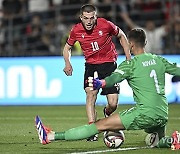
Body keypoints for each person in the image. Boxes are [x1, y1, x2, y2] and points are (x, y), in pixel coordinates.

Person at [35, 28, 180, 150]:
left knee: (99, 125)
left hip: (145, 113)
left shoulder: (131, 65)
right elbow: (177, 71)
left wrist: (100, 83)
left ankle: (50, 136)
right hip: (162, 112)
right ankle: (171, 140)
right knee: (155, 140)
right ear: (145, 43)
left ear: (130, 44)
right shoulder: (159, 60)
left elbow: (113, 79)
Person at [62, 4, 131, 141]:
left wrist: (128, 58)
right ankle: (91, 130)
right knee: (90, 93)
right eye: (86, 18)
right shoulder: (76, 30)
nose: (88, 21)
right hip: (91, 66)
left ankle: (107, 112)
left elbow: (121, 35)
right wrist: (67, 63)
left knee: (113, 103)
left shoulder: (105, 24)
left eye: (91, 18)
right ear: (81, 17)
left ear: (95, 17)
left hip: (109, 65)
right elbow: (67, 48)